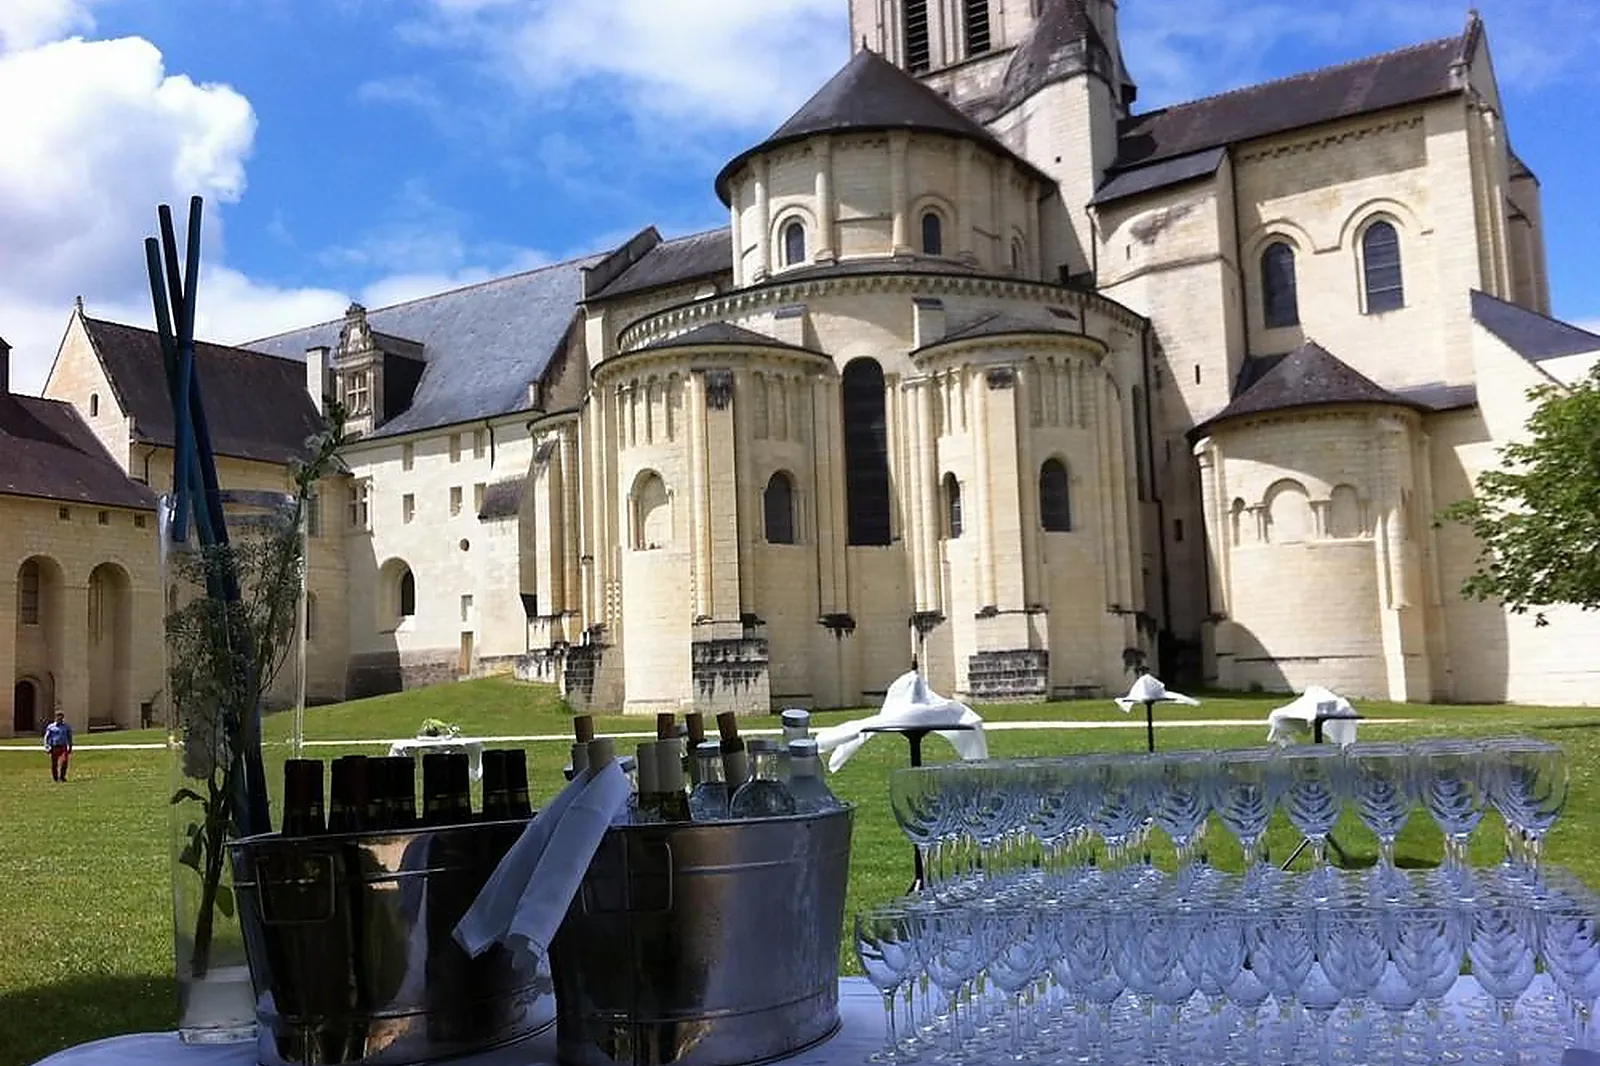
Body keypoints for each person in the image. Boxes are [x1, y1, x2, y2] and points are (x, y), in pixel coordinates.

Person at [44, 711, 73, 782]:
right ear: (55, 717)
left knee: (64, 761)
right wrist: (47, 746)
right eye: (58, 717)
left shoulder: (66, 727)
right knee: (54, 763)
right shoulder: (51, 727)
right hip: (54, 747)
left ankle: (62, 777)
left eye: (61, 718)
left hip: (63, 746)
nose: (60, 719)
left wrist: (70, 746)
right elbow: (46, 737)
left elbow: (69, 737)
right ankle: (55, 778)